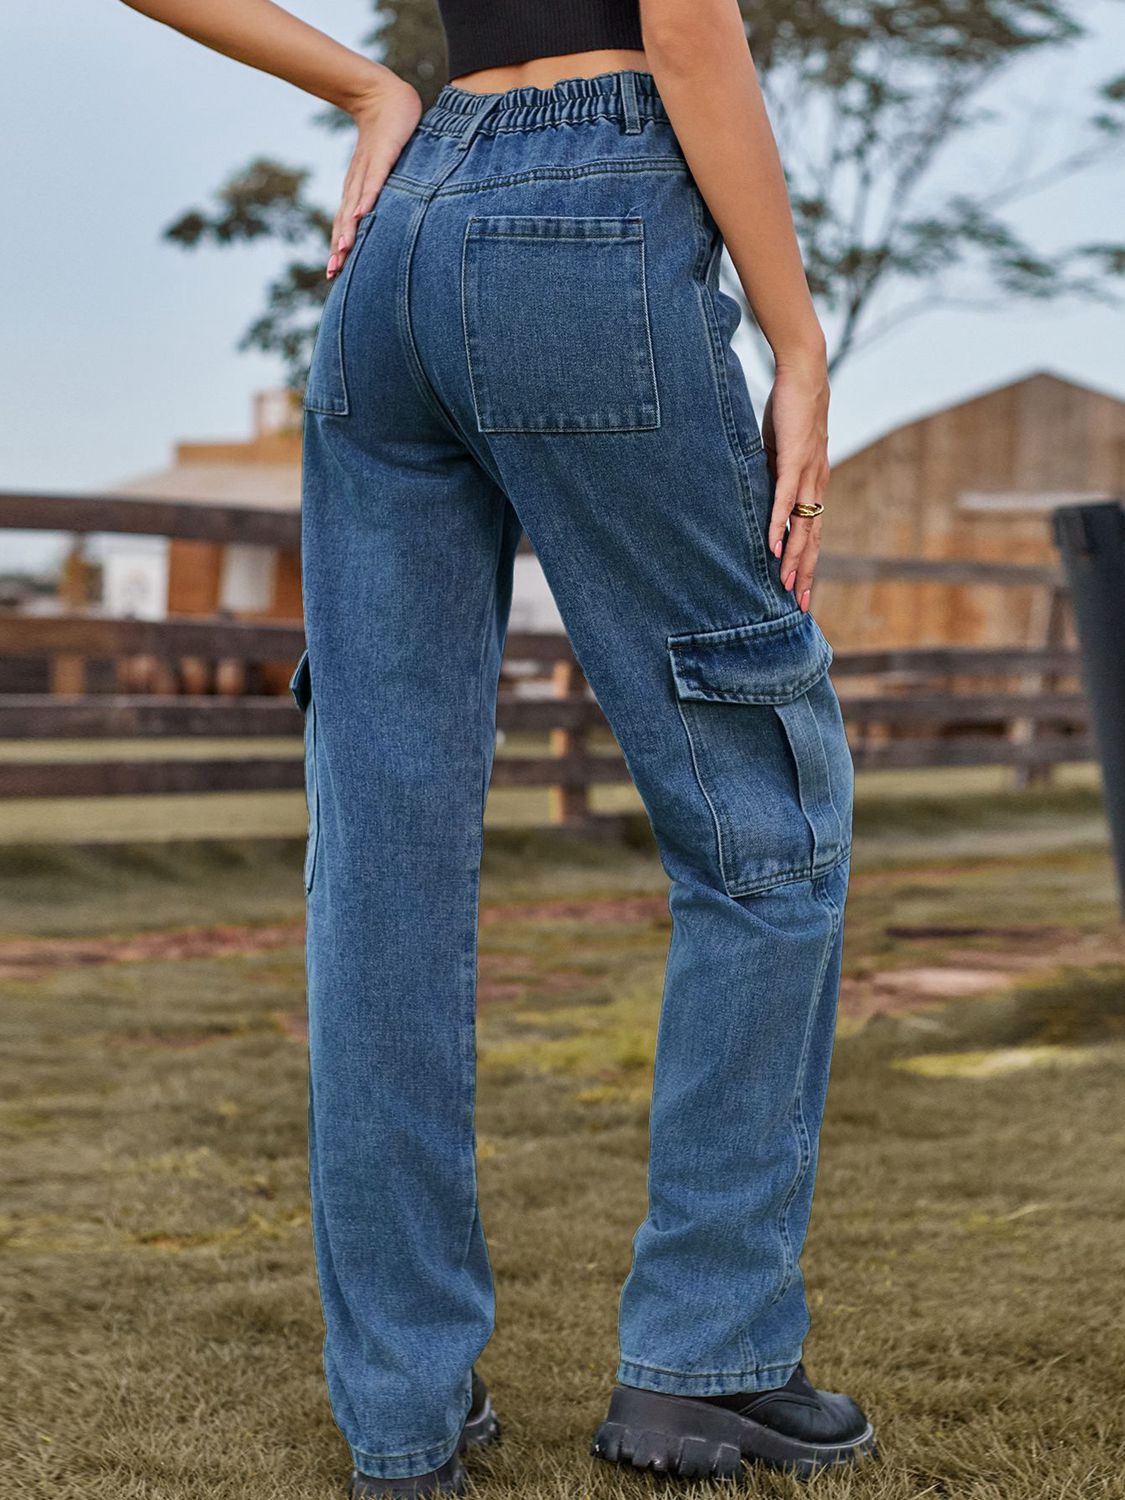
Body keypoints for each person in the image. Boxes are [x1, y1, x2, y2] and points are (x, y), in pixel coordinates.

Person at [121, 1, 877, 1493]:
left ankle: (400, 1421)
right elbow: (687, 30)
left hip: (398, 248)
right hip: (593, 218)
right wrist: (796, 339)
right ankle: (706, 1363)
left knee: (381, 866)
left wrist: (363, 90)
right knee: (760, 815)